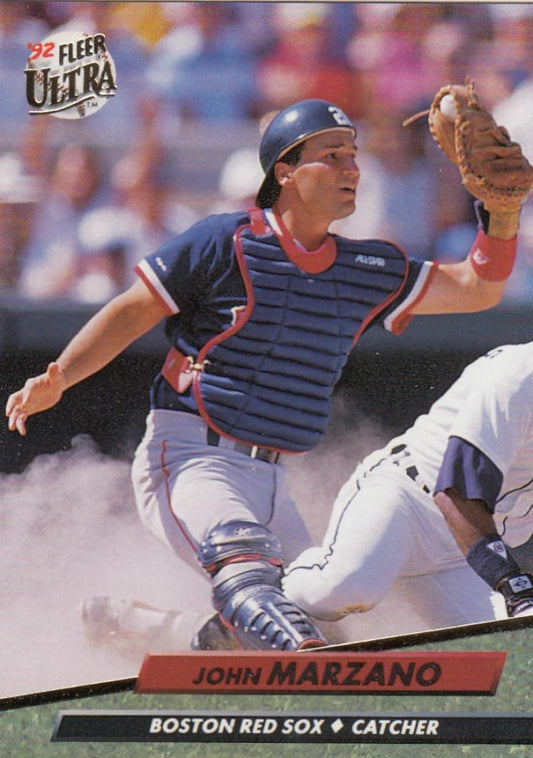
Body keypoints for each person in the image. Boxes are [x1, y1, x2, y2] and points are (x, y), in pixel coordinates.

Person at [4, 99, 524, 653]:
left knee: (324, 633)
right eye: (331, 156)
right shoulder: (224, 241)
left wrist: (501, 215)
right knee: (258, 592)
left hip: (275, 480)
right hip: (191, 458)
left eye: (352, 155)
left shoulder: (365, 267)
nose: (351, 168)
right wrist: (59, 374)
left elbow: (478, 287)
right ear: (285, 171)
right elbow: (132, 310)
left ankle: (141, 628)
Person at [283, 342, 533, 628]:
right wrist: (513, 586)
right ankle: (264, 594)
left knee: (514, 649)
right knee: (345, 587)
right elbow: (456, 494)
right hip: (406, 500)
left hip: (464, 553)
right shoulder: (518, 377)